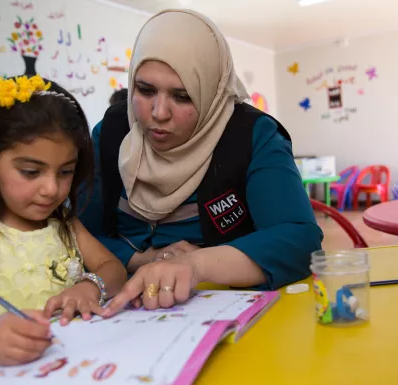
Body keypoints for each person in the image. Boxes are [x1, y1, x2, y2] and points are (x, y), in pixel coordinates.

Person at [77, 10, 323, 317]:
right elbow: (74, 232)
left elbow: (299, 238)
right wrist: (144, 260)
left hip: (224, 309)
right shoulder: (112, 134)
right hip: (122, 311)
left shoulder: (252, 135)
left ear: (211, 91)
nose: (159, 112)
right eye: (145, 90)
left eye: (182, 96)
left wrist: (197, 264)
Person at [0, 75, 127, 366]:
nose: (52, 189)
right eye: (31, 172)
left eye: (65, 171)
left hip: (73, 365)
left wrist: (90, 287)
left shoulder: (65, 224)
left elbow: (114, 269)